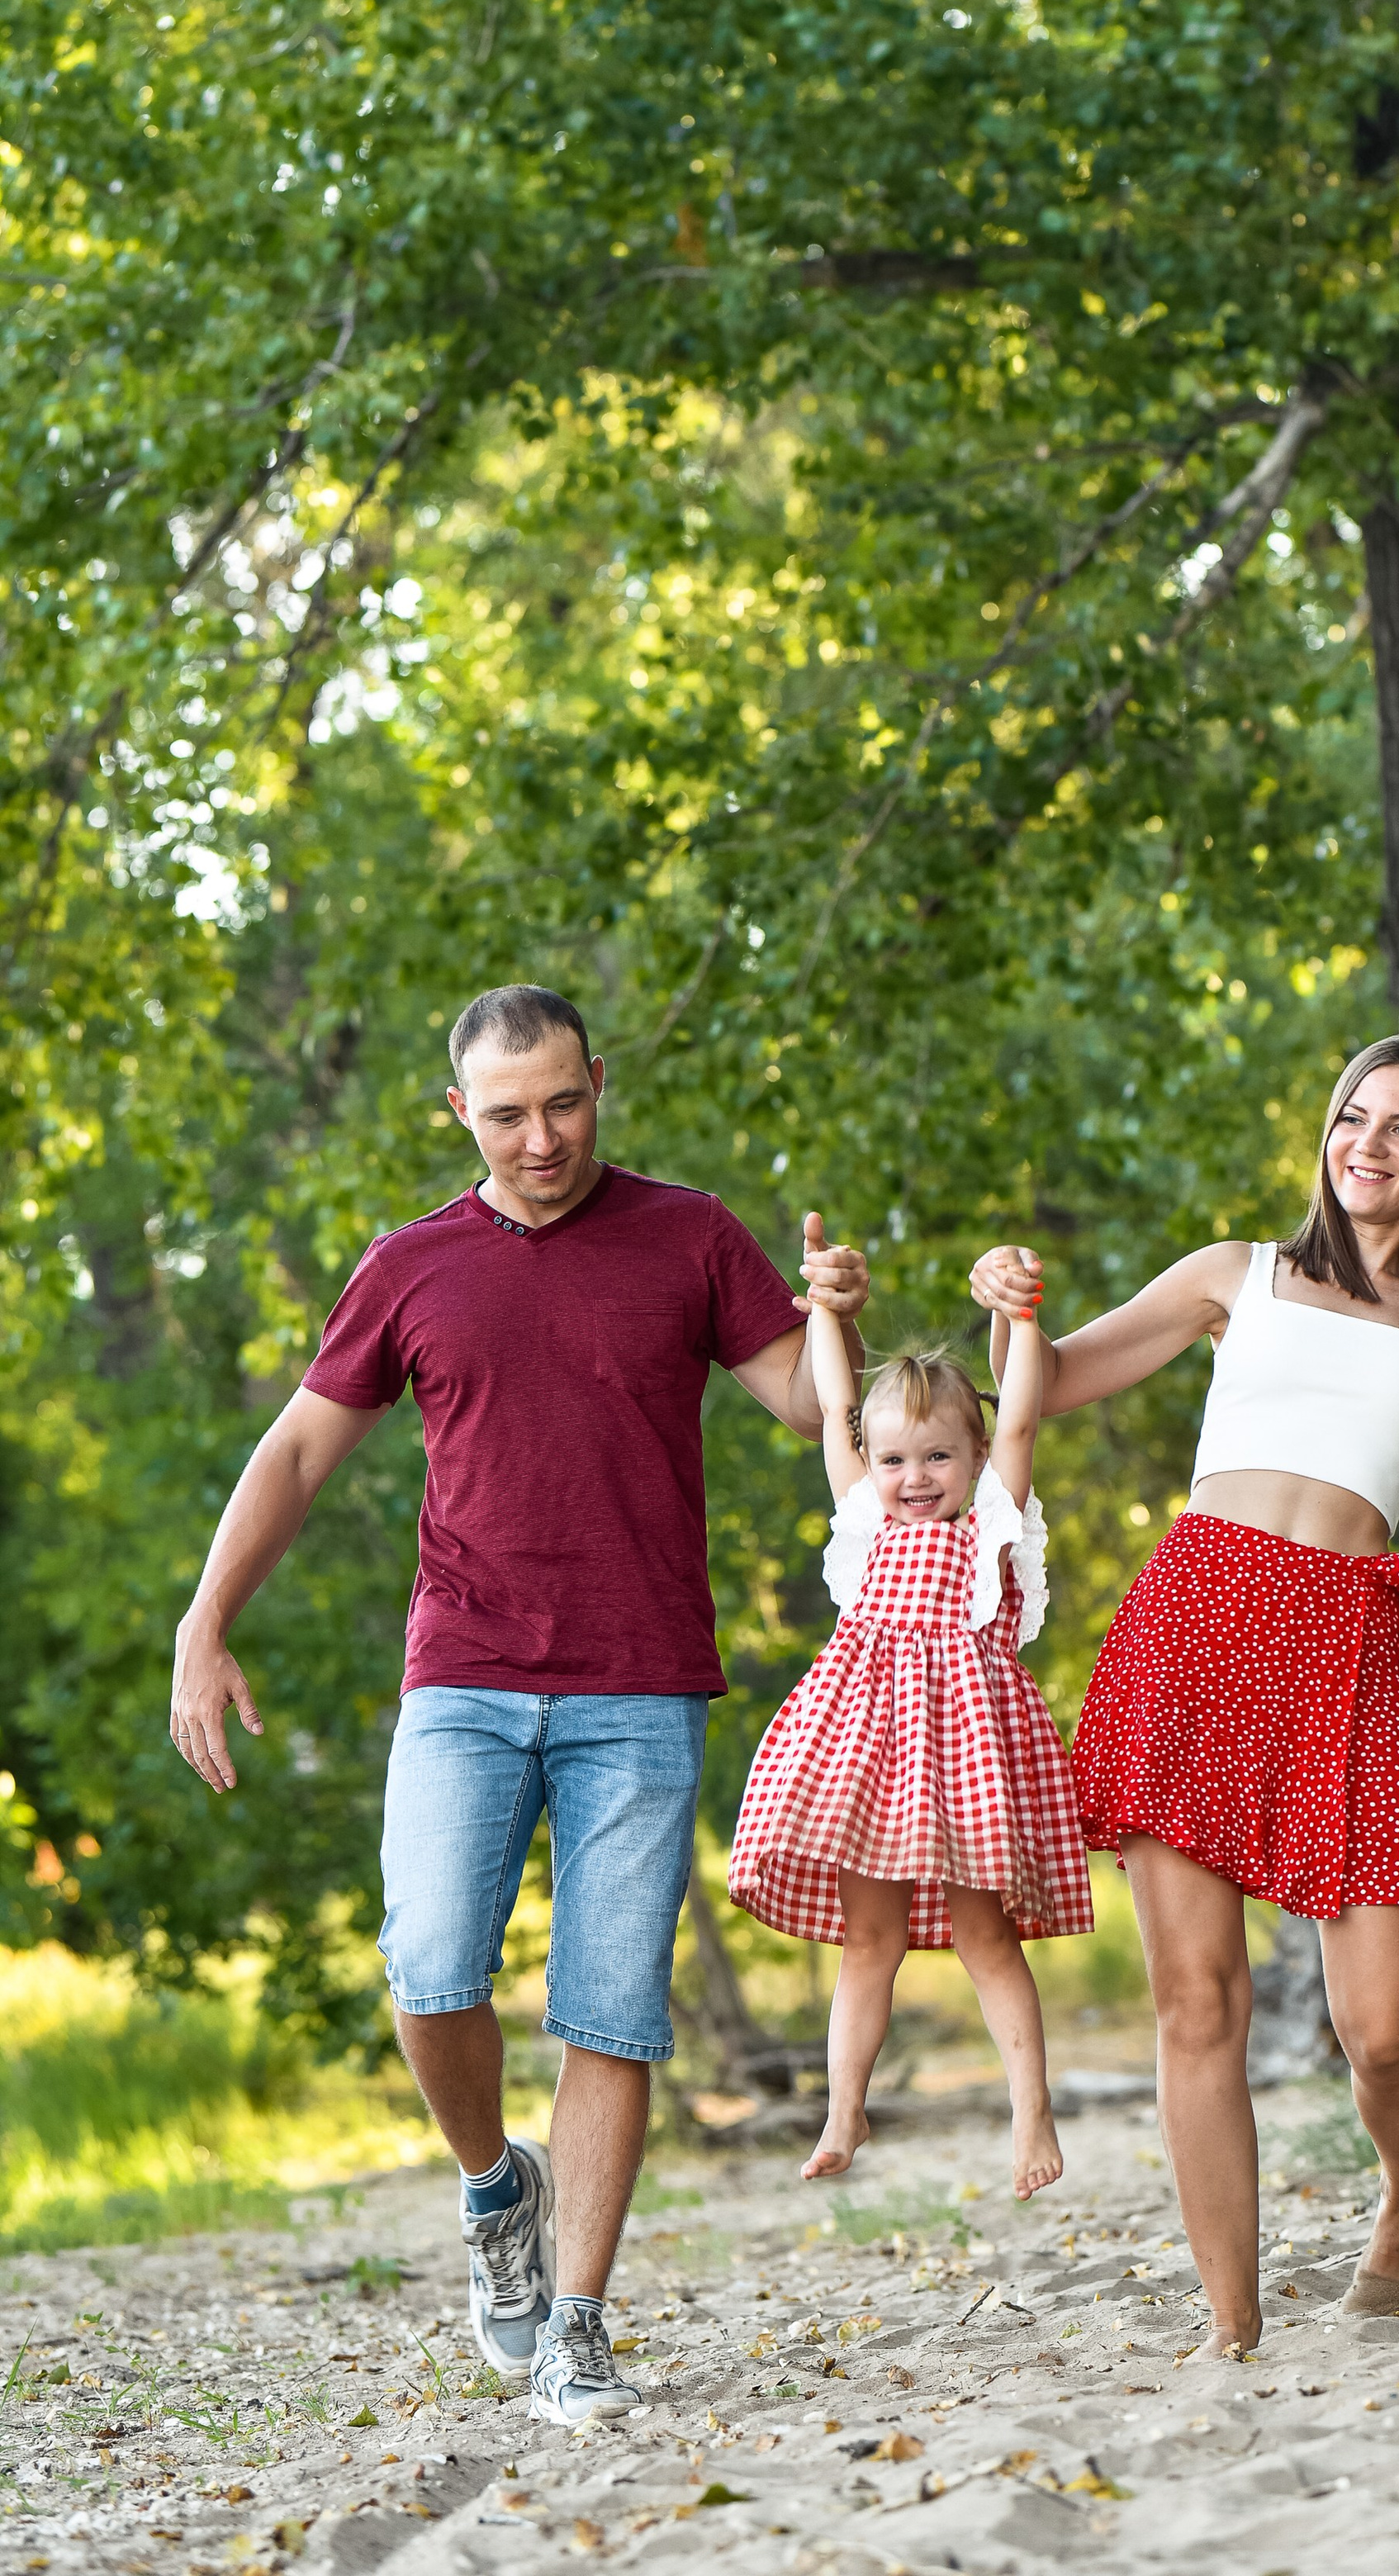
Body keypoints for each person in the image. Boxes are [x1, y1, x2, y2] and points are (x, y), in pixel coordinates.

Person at [167, 983, 870, 2430]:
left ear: (598, 1080)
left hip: (640, 1682)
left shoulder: (689, 1235)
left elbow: (806, 1407)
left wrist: (840, 1319)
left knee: (610, 2014)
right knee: (429, 1967)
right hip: (466, 1675)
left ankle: (581, 2327)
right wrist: (204, 1621)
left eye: (563, 1102)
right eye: (506, 1114)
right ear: (459, 1113)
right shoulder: (413, 1264)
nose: (540, 1138)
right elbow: (301, 1450)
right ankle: (499, 2190)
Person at [970, 1030, 1399, 2359]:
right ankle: (1232, 2326)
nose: (1369, 1143)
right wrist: (1009, 1308)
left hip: (1347, 1660)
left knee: (1383, 2027)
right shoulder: (1237, 1277)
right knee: (1199, 2004)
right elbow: (1053, 1379)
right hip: (1194, 1635)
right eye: (1355, 1116)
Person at [728, 1261, 1091, 2199]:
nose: (913, 1477)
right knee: (868, 1940)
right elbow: (836, 1408)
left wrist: (1014, 1317)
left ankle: (1031, 2109)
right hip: (869, 1759)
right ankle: (846, 2106)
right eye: (894, 1460)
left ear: (971, 1463)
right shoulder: (862, 1526)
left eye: (936, 1458)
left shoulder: (991, 1532)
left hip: (966, 1760)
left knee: (984, 1937)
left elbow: (1018, 1414)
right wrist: (825, 1314)